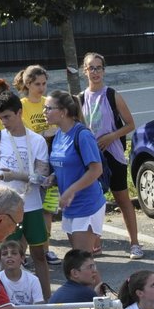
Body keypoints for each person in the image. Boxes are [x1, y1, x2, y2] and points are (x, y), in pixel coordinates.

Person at [0, 87, 53, 294]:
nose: (4, 122)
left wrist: (16, 176)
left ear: (20, 113)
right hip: (7, 209)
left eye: (7, 117)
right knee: (8, 255)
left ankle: (46, 301)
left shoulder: (36, 140)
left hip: (32, 205)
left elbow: (42, 177)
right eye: (1, 118)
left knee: (39, 254)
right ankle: (6, 299)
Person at [79, 53, 144, 257]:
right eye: (91, 68)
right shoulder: (80, 98)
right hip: (92, 157)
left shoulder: (112, 95)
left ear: (104, 71)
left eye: (99, 68)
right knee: (95, 202)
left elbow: (130, 125)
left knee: (122, 199)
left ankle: (134, 243)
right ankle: (96, 244)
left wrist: (111, 137)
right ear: (85, 71)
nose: (95, 72)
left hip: (113, 155)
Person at [46, 89, 107, 255]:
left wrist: (71, 190)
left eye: (49, 108)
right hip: (69, 206)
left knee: (82, 263)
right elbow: (64, 166)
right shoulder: (59, 134)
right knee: (80, 264)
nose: (45, 112)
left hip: (87, 204)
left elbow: (96, 170)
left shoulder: (82, 135)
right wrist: (53, 177)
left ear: (63, 112)